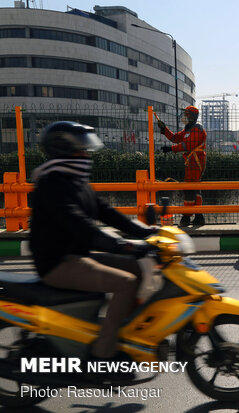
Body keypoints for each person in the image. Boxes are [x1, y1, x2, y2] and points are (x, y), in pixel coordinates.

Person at [29, 121, 157, 373]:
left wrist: (143, 232)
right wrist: (120, 245)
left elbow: (105, 211)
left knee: (138, 267)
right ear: (65, 150)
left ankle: (123, 331)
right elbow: (79, 224)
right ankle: (103, 355)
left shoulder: (75, 179)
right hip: (59, 262)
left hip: (78, 256)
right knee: (125, 282)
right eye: (81, 150)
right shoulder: (52, 183)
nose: (87, 155)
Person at [158, 105, 206, 227]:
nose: (183, 116)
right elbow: (175, 138)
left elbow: (187, 145)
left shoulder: (197, 129)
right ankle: (198, 215)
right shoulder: (187, 130)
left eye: (186, 114)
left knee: (189, 188)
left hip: (196, 161)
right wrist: (165, 130)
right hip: (191, 161)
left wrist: (170, 149)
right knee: (194, 188)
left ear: (192, 116)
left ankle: (186, 216)